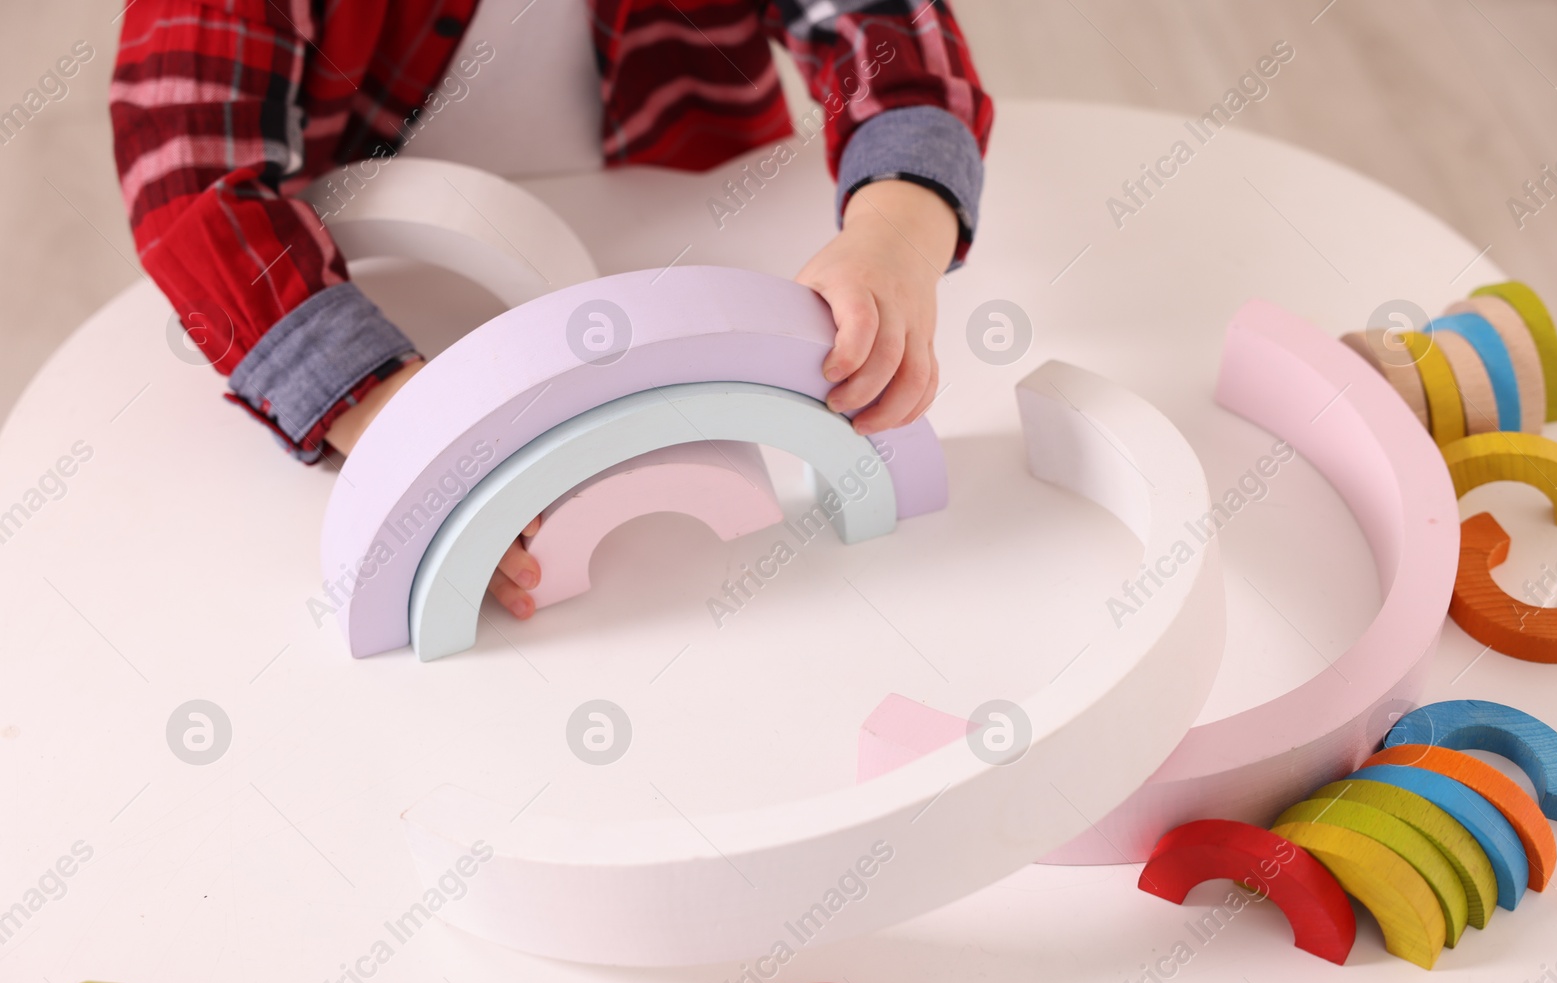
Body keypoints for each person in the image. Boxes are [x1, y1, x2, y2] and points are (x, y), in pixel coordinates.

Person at [111, 0, 991, 620]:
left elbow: (885, 24)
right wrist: (392, 417)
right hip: (378, 287)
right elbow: (188, 175)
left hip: (680, 235)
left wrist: (899, 222)